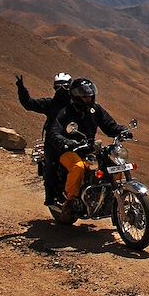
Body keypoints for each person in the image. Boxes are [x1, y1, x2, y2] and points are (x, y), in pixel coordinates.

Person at [47, 78, 131, 214]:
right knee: (78, 167)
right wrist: (65, 142)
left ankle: (113, 197)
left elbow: (109, 125)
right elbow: (54, 132)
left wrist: (122, 130)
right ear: (75, 96)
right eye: (84, 96)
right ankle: (70, 201)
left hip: (89, 149)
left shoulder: (95, 109)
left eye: (90, 95)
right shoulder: (65, 112)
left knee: (113, 163)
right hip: (69, 151)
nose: (88, 98)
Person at [16, 72, 72, 205]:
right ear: (54, 88)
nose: (62, 90)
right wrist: (22, 89)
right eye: (59, 87)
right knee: (51, 166)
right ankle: (51, 197)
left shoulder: (76, 105)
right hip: (54, 142)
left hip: (74, 141)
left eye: (65, 87)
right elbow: (29, 104)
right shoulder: (50, 103)